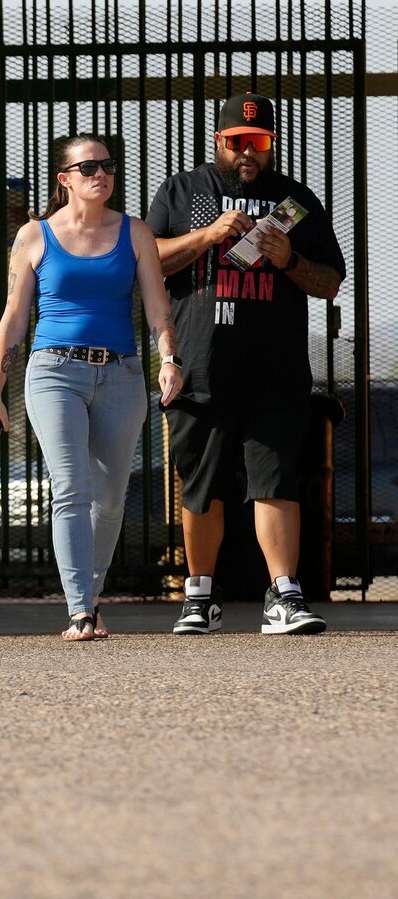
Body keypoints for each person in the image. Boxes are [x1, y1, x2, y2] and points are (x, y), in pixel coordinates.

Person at [148, 93, 345, 635]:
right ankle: (200, 598)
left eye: (258, 143)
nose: (248, 153)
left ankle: (284, 596)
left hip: (275, 373)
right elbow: (148, 261)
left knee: (275, 483)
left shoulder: (296, 200)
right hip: (201, 368)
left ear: (271, 143)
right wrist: (208, 236)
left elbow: (330, 281)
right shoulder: (182, 192)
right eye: (237, 143)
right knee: (201, 486)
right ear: (220, 140)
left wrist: (289, 259)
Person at [0, 135, 183, 641]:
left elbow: (158, 306)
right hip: (54, 372)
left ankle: (90, 598)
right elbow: (13, 318)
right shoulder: (34, 235)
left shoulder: (135, 232)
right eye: (88, 167)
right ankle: (79, 610)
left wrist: (168, 359)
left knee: (110, 499)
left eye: (108, 166)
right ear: (65, 179)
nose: (101, 175)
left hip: (121, 373)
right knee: (71, 487)